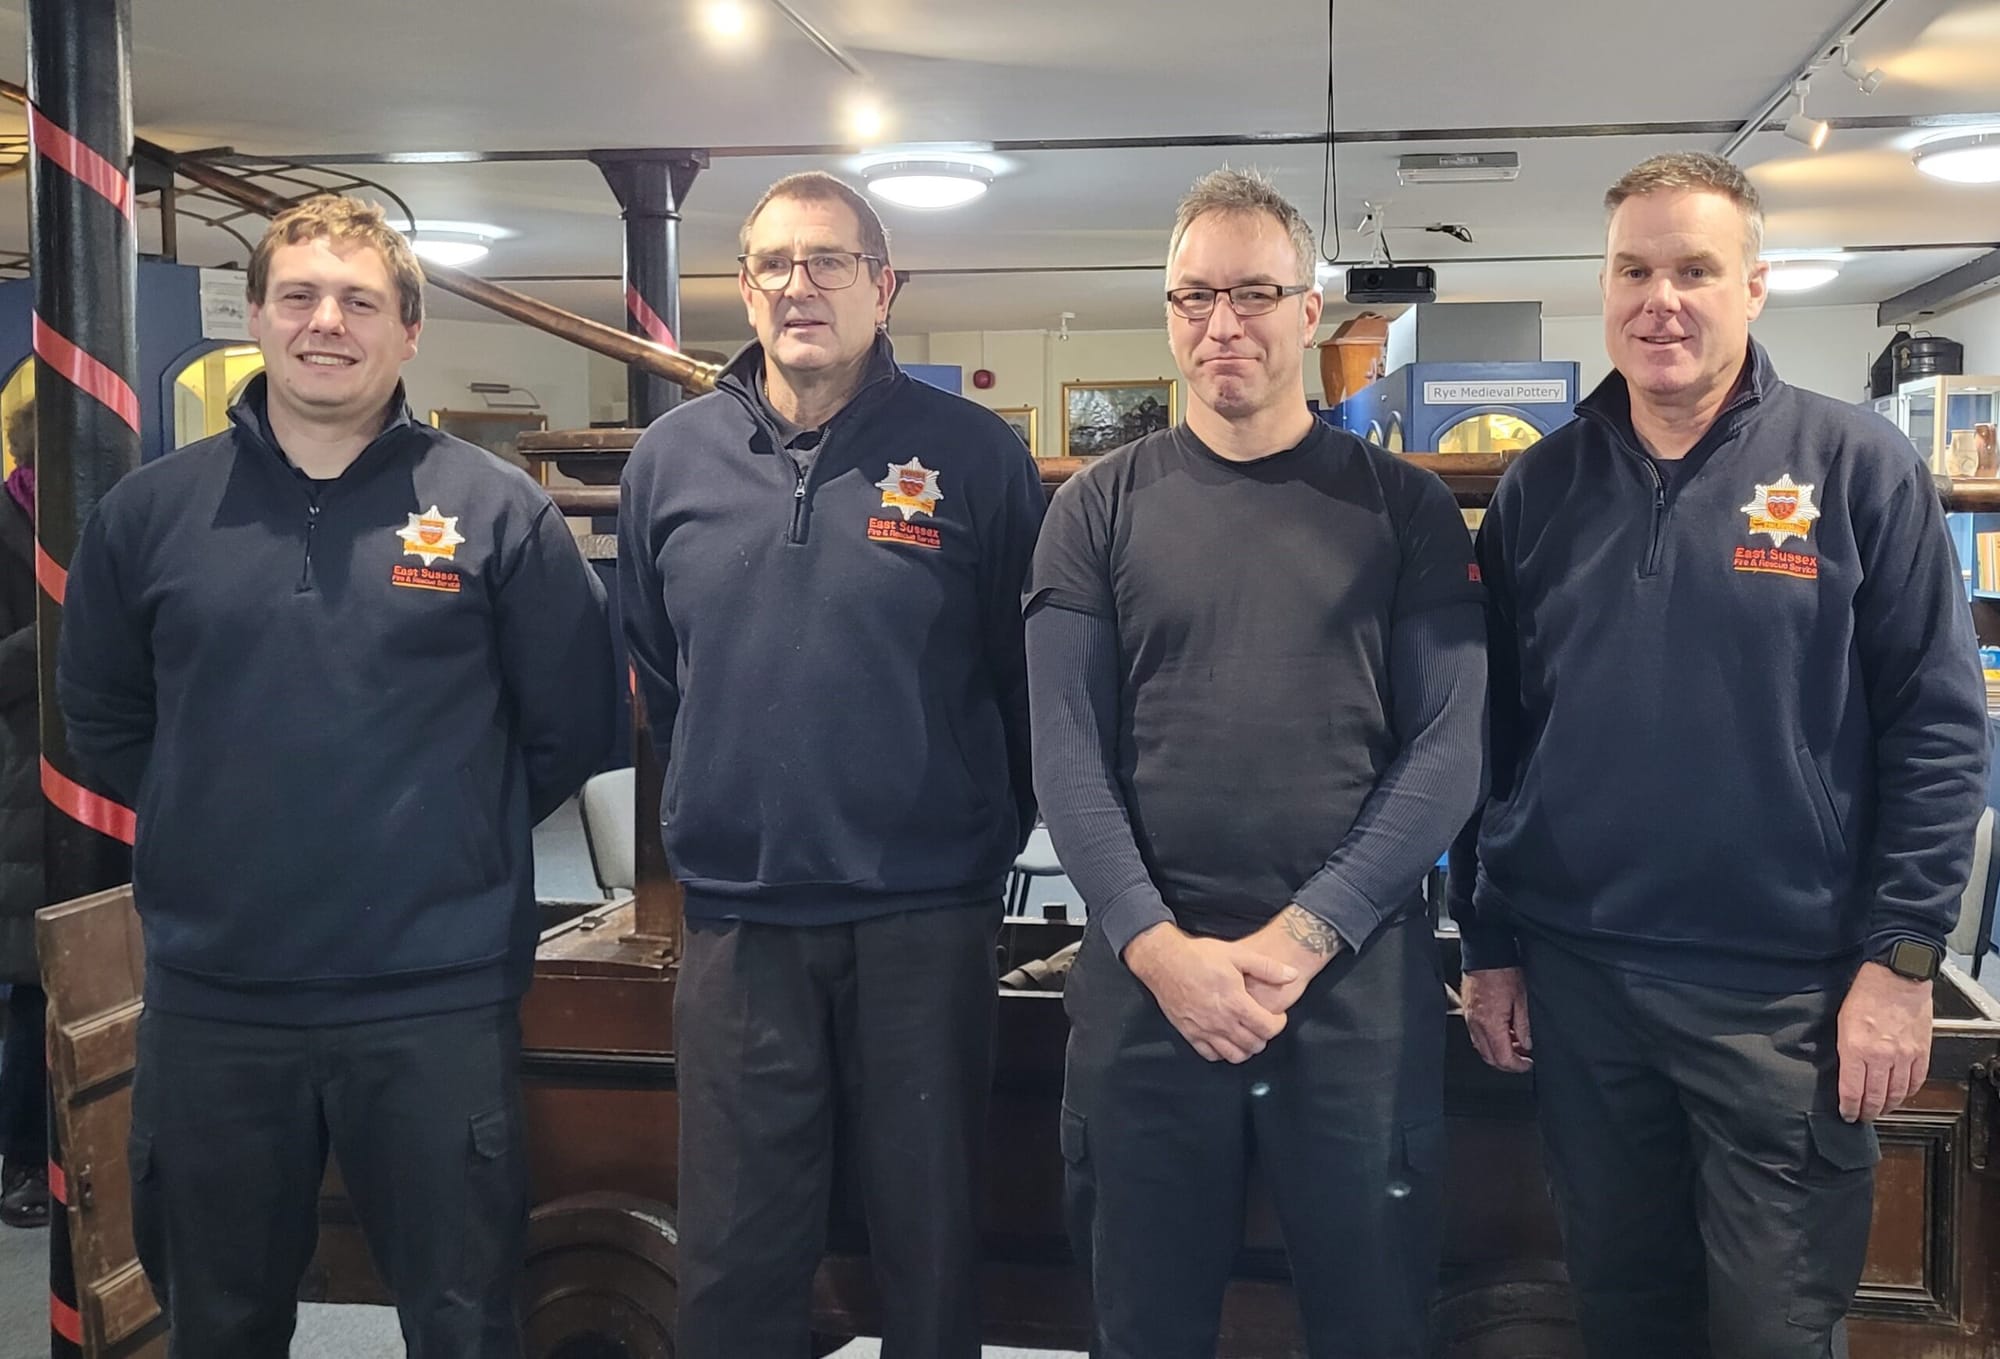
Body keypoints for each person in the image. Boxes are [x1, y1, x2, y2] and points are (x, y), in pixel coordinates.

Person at [1451, 151, 1990, 1358]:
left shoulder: (1855, 469)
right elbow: (1492, 740)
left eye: (1693, 270)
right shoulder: (1540, 488)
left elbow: (1937, 729)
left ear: (1752, 284)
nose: (1661, 301)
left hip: (1784, 1000)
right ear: (1602, 288)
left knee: (1772, 1331)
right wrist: (1487, 942)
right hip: (1582, 984)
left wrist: (1901, 962)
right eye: (1632, 271)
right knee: (1621, 1315)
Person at [57, 194, 616, 1358]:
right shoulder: (148, 516)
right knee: (219, 1323)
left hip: (433, 998)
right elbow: (103, 719)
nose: (327, 322)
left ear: (408, 331)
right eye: (299, 296)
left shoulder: (497, 511)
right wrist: (220, 812)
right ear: (257, 318)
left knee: (462, 1323)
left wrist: (441, 827)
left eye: (359, 301)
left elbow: (567, 724)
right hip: (218, 999)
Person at [1028, 167, 1487, 1359]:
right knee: (1143, 1325)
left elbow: (1448, 749)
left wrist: (1304, 936)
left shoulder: (1402, 511)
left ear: (1309, 310)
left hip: (1350, 992)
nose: (1220, 323)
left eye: (1252, 294)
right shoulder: (1093, 511)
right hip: (1146, 989)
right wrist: (1156, 948)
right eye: (1193, 296)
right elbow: (1064, 753)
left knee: (1371, 1321)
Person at [617, 171, 1044, 1359]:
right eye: (774, 264)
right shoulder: (669, 460)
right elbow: (658, 669)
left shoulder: (972, 455)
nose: (799, 286)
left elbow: (1020, 676)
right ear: (744, 287)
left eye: (829, 261)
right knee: (734, 1255)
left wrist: (973, 835)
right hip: (740, 922)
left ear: (882, 285)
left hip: (924, 915)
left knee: (928, 1243)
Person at [0, 398, 47, 1230]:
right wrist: (63, 624)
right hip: (20, 779)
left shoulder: (112, 525)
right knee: (35, 985)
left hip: (103, 776)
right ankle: (24, 1161)